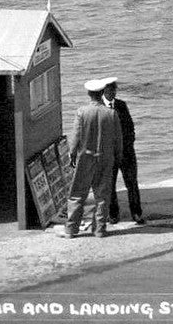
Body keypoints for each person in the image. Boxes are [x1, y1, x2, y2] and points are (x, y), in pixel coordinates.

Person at [62, 78, 123, 238]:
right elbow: (118, 140)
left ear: (89, 94)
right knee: (102, 196)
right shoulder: (111, 113)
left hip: (86, 157)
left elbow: (76, 136)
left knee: (77, 194)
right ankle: (100, 229)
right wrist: (117, 157)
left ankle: (71, 229)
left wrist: (72, 154)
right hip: (105, 158)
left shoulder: (82, 112)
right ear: (102, 93)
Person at [103, 78, 144, 225]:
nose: (113, 94)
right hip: (109, 154)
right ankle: (113, 214)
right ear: (104, 92)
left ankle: (136, 213)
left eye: (114, 91)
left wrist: (129, 144)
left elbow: (130, 126)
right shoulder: (99, 107)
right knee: (110, 185)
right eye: (110, 91)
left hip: (126, 152)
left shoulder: (121, 105)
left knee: (132, 183)